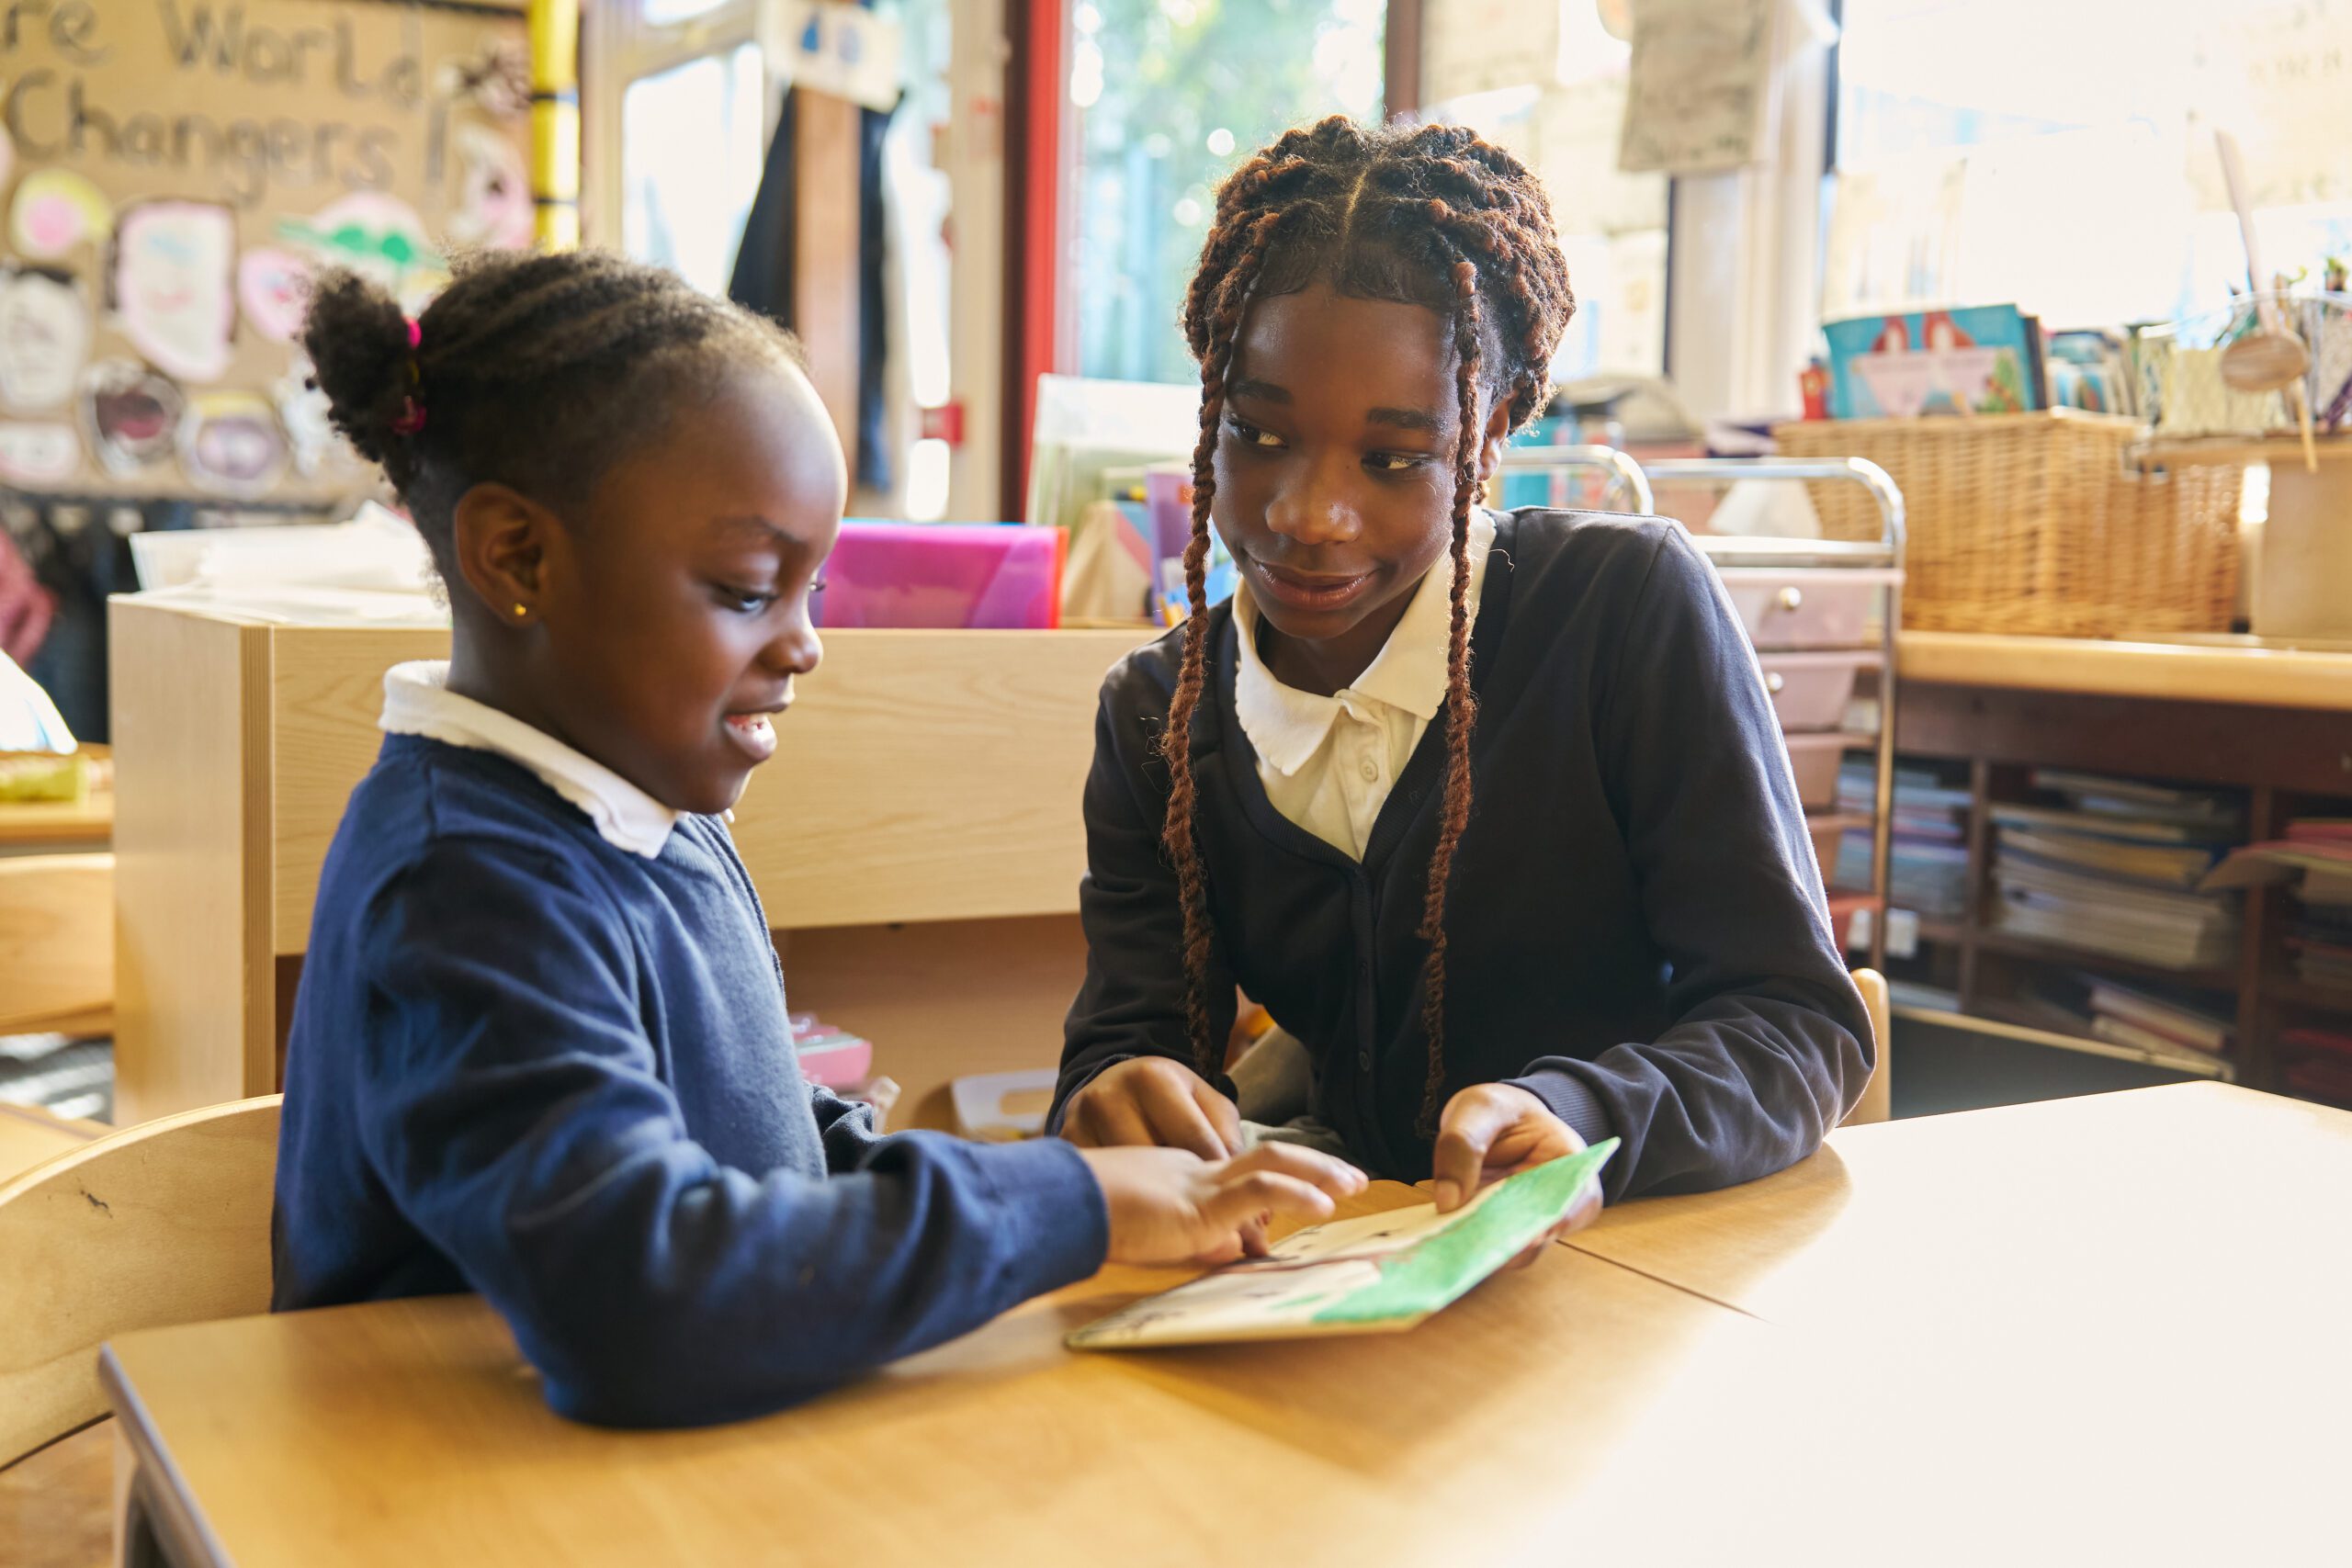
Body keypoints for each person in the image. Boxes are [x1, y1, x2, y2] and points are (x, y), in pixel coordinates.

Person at [272, 250, 1363, 1428]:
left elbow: (767, 1148)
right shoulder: (461, 881)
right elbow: (639, 1296)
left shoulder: (650, 815)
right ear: (517, 558)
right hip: (425, 1499)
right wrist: (1073, 1207)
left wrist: (1082, 1195)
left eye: (815, 591)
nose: (804, 645)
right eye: (749, 589)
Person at [1052, 118, 1871, 1222]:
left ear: (1483, 446)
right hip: (1355, 1278)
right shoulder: (1160, 714)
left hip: (1643, 1260)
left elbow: (1796, 1024)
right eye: (1256, 435)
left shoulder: (1619, 615)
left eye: (1392, 460)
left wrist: (1584, 1118)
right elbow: (1124, 1051)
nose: (1309, 514)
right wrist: (1115, 1098)